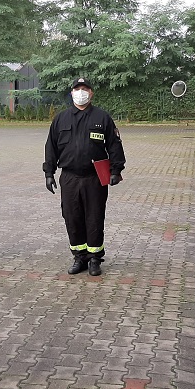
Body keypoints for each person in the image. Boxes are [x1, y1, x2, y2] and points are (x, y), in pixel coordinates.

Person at [43, 77, 126, 277]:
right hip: (69, 177)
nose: (81, 92)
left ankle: (95, 258)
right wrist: (49, 173)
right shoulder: (61, 119)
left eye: (85, 89)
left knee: (94, 218)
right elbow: (51, 147)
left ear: (91, 93)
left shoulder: (102, 118)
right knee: (72, 218)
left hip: (94, 178)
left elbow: (114, 145)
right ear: (71, 93)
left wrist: (116, 170)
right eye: (77, 89)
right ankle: (79, 257)